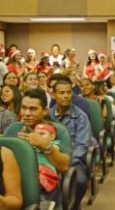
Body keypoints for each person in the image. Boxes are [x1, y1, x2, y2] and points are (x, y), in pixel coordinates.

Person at [4, 88, 71, 203]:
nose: (27, 113)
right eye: (24, 108)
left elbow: (64, 167)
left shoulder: (57, 131)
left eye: (33, 109)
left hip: (44, 183)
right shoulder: (13, 129)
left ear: (45, 111)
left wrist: (45, 145)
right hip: (13, 182)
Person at [48, 80, 90, 210]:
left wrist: (66, 163)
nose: (66, 96)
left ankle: (73, 206)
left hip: (72, 161)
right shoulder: (47, 115)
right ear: (54, 95)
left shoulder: (81, 117)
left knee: (80, 181)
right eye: (61, 93)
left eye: (68, 92)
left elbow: (82, 146)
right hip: (48, 159)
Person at [34, 123, 60, 201]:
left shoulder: (54, 144)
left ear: (52, 136)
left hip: (46, 169)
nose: (38, 137)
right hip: (32, 168)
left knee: (40, 178)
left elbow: (54, 150)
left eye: (42, 134)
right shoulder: (31, 144)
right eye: (36, 135)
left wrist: (41, 144)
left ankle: (42, 199)